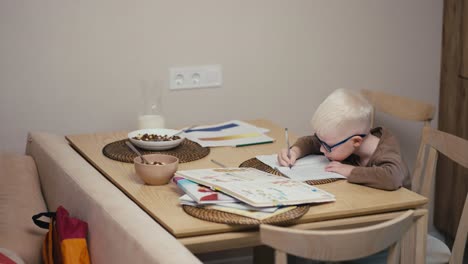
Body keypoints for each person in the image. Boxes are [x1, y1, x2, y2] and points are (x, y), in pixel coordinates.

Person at [278, 88, 410, 191]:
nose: (320, 148)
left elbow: (392, 177)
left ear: (356, 141)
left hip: (394, 215)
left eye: (328, 146)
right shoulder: (345, 140)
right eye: (321, 141)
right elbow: (312, 141)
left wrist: (349, 171)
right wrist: (295, 151)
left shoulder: (386, 151)